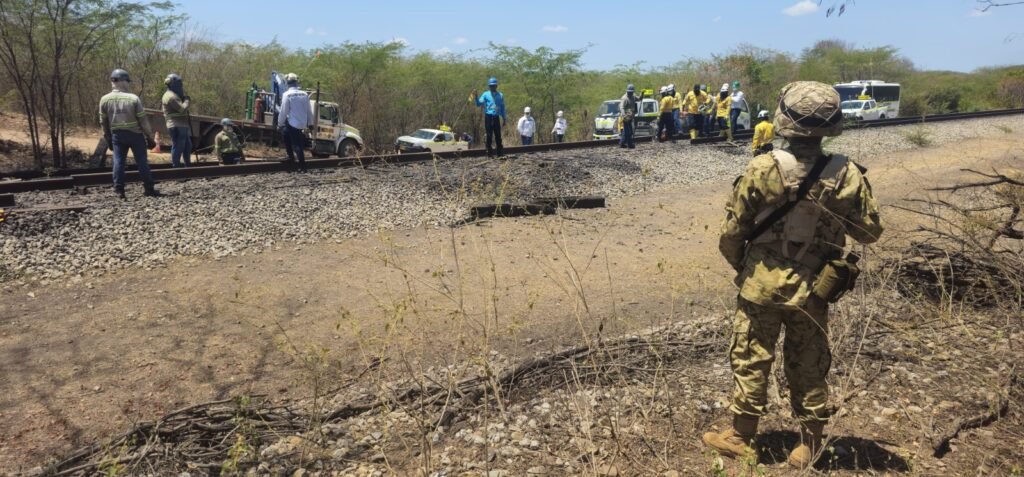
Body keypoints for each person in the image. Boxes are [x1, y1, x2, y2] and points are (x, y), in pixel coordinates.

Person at [704, 81, 884, 469]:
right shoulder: (847, 174)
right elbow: (869, 232)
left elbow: (731, 234)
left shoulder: (762, 167)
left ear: (785, 121)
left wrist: (745, 267)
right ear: (832, 124)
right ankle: (808, 444)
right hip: (816, 289)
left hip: (761, 285)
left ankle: (740, 436)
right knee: (809, 360)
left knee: (751, 356)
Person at [99, 69, 159, 199]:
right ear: (124, 81)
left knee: (118, 161)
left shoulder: (104, 99)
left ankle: (119, 190)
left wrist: (107, 136)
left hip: (117, 135)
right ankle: (149, 188)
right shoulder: (133, 98)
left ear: (113, 81)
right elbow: (143, 120)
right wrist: (149, 136)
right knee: (142, 161)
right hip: (135, 135)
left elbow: (103, 122)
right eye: (127, 81)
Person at [278, 73, 314, 171]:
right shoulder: (304, 94)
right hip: (302, 123)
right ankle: (290, 156)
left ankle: (302, 166)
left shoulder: (286, 95)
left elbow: (283, 111)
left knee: (296, 144)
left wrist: (279, 123)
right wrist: (310, 123)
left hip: (293, 123)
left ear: (287, 83)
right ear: (296, 82)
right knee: (285, 133)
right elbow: (309, 110)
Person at [161, 73, 192, 168]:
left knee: (187, 146)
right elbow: (182, 109)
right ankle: (176, 168)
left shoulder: (174, 95)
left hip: (182, 125)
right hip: (176, 125)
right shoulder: (170, 96)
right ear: (173, 84)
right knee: (178, 147)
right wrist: (187, 100)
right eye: (179, 83)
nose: (181, 85)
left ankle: (188, 167)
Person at [472, 77, 507, 157]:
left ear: (496, 86)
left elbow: (502, 107)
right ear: (489, 86)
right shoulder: (485, 94)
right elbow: (478, 104)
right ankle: (489, 153)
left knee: (498, 135)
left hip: (496, 117)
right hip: (488, 117)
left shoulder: (500, 95)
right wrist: (476, 97)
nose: (492, 87)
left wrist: (504, 118)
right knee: (489, 135)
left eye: (494, 85)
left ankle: (500, 153)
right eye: (491, 86)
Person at [619, 84, 640, 149]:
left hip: (631, 116)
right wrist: (623, 115)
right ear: (627, 91)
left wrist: (642, 94)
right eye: (629, 92)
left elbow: (639, 99)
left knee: (627, 131)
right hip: (626, 117)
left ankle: (622, 143)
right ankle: (630, 144)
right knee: (628, 132)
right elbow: (621, 107)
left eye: (631, 92)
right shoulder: (624, 98)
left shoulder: (633, 96)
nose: (630, 93)